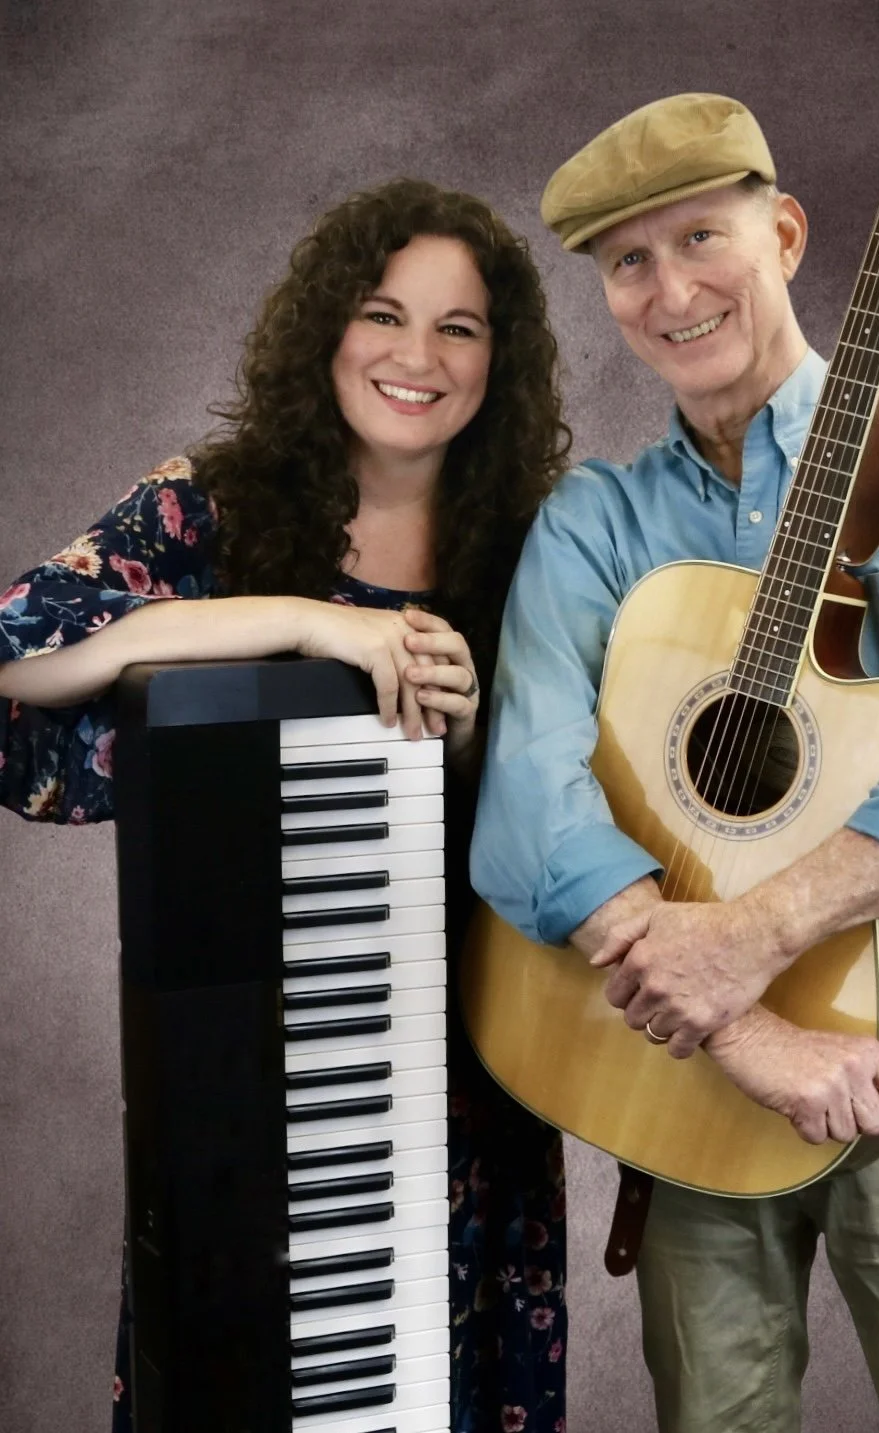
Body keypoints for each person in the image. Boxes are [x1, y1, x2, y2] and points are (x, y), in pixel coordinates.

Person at [470, 93, 879, 1433]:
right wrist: (737, 1027)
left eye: (699, 235)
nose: (669, 288)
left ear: (786, 233)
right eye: (627, 260)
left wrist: (749, 933)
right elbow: (525, 802)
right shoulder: (595, 527)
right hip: (681, 1061)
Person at [0, 178, 570, 1433]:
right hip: (250, 1053)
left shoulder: (539, 548)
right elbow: (24, 652)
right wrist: (315, 622)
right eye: (384, 311)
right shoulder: (213, 502)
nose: (416, 356)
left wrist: (471, 729)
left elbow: (565, 830)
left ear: (500, 359)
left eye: (460, 327)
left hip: (463, 1076)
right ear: (329, 325)